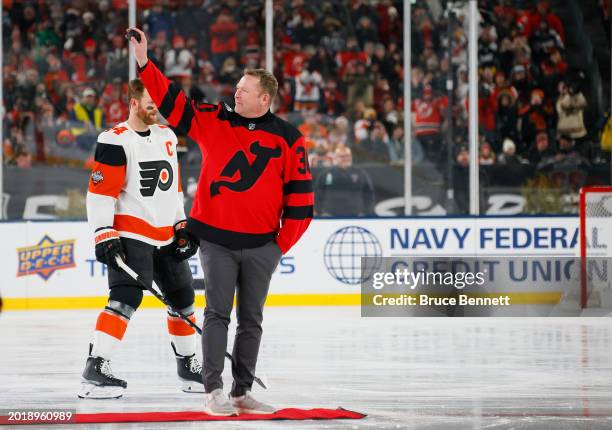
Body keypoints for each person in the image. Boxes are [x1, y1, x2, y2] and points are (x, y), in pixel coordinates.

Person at [128, 28, 313, 416]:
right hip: (217, 243)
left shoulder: (289, 139)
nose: (236, 92)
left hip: (263, 245)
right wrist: (145, 63)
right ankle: (213, 391)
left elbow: (301, 203)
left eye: (244, 90)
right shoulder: (214, 120)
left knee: (252, 320)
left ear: (264, 98)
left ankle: (242, 392)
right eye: (237, 87)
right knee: (216, 314)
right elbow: (173, 103)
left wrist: (279, 247)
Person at [79, 78, 201, 399]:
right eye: (150, 102)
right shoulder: (115, 139)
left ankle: (187, 365)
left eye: (158, 102)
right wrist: (104, 233)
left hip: (165, 234)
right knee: (125, 299)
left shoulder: (167, 135)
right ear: (133, 103)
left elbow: (173, 188)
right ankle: (95, 368)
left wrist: (181, 225)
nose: (156, 108)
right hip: (132, 233)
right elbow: (100, 193)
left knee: (184, 299)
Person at [315, 145, 375, 217]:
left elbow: (369, 194)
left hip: (356, 216)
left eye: (348, 156)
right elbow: (318, 194)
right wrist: (319, 212)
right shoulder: (325, 174)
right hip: (330, 216)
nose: (345, 158)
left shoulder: (360, 173)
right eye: (342, 156)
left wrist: (367, 212)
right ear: (335, 158)